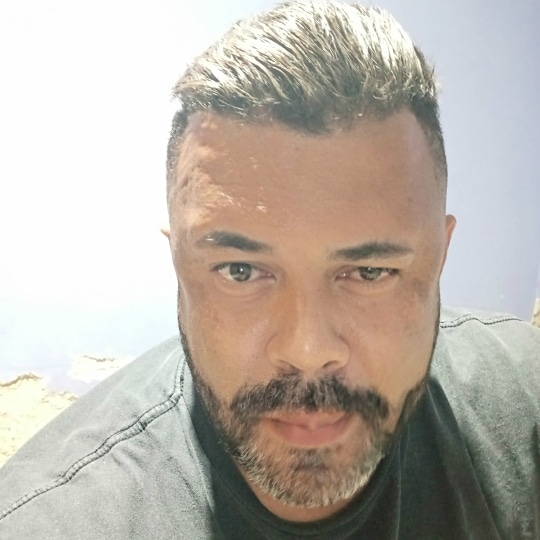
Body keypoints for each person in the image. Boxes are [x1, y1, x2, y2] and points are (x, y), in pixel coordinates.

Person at [1, 1, 539, 538]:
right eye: (239, 271)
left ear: (440, 257)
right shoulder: (53, 523)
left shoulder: (525, 402)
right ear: (179, 263)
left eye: (370, 272)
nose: (306, 349)